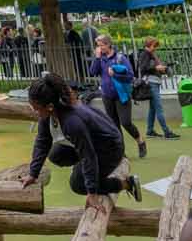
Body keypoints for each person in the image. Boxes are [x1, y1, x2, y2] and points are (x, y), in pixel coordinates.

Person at [17, 73, 139, 208]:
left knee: (78, 184)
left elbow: (88, 155)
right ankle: (85, 171)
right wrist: (33, 174)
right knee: (56, 154)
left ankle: (126, 183)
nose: (34, 111)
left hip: (110, 149)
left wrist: (91, 192)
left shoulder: (72, 122)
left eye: (36, 108)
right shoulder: (50, 113)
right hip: (92, 143)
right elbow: (42, 141)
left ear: (50, 106)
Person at [88, 36, 149, 160]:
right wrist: (97, 58)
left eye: (101, 45)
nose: (99, 48)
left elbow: (130, 76)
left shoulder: (120, 58)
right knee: (114, 126)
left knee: (126, 122)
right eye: (98, 46)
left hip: (122, 96)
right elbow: (92, 72)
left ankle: (140, 141)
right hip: (107, 96)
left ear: (108, 44)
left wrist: (115, 74)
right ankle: (121, 152)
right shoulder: (100, 59)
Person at [136, 36, 179, 139]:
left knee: (153, 108)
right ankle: (167, 132)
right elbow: (143, 68)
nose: (155, 48)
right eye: (154, 46)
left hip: (154, 82)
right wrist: (156, 67)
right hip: (151, 83)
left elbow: (150, 67)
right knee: (158, 108)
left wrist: (162, 68)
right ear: (149, 45)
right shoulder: (144, 54)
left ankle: (150, 131)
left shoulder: (150, 54)